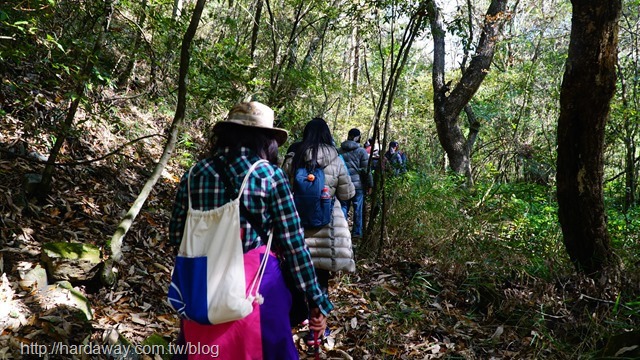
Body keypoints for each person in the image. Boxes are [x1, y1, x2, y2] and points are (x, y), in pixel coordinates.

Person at [169, 101, 331, 360]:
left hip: (201, 281)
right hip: (257, 285)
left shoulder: (194, 174)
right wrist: (316, 300)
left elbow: (176, 235)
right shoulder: (270, 175)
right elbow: (294, 245)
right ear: (266, 140)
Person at [283, 117, 355, 346]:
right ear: (327, 134)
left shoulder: (294, 155)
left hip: (297, 227)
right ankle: (318, 326)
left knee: (294, 274)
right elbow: (347, 193)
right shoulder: (336, 157)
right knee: (321, 276)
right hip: (327, 230)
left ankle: (295, 318)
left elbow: (281, 184)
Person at [338, 128, 372, 238]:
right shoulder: (361, 151)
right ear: (358, 137)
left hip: (343, 184)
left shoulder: (339, 150)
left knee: (343, 207)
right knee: (358, 209)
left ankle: (341, 232)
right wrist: (370, 184)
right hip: (358, 185)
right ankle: (357, 234)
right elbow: (366, 170)